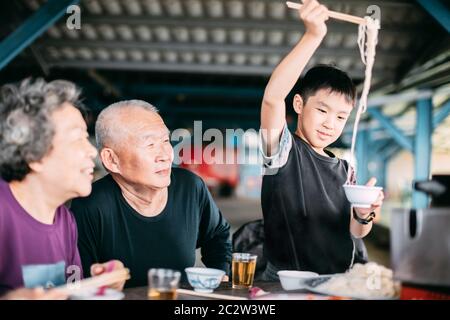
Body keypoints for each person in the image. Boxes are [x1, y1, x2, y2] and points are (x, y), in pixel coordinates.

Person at [259, 0, 384, 280]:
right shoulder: (282, 152)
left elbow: (357, 231)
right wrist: (313, 35)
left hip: (337, 281)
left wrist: (364, 213)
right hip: (284, 283)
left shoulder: (345, 169)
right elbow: (272, 98)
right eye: (322, 110)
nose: (330, 123)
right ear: (300, 104)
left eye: (341, 117)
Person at [70, 100, 232, 288]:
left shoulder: (190, 188)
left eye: (165, 141)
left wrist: (222, 275)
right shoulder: (89, 207)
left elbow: (218, 234)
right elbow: (80, 286)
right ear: (112, 160)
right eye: (150, 144)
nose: (165, 154)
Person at [0, 78, 125, 298]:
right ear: (33, 155)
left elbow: (68, 291)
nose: (92, 152)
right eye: (78, 139)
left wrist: (99, 283)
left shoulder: (65, 219)